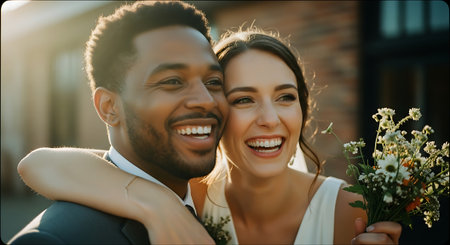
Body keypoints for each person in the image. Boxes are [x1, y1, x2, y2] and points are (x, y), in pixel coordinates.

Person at [15, 25, 403, 244]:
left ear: (302, 108)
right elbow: (37, 164)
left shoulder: (351, 210)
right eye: (243, 100)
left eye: (285, 97)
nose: (270, 119)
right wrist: (158, 204)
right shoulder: (188, 198)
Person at [9, 1, 228, 244]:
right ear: (109, 107)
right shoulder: (56, 238)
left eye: (214, 82)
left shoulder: (215, 203)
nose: (206, 101)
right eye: (173, 81)